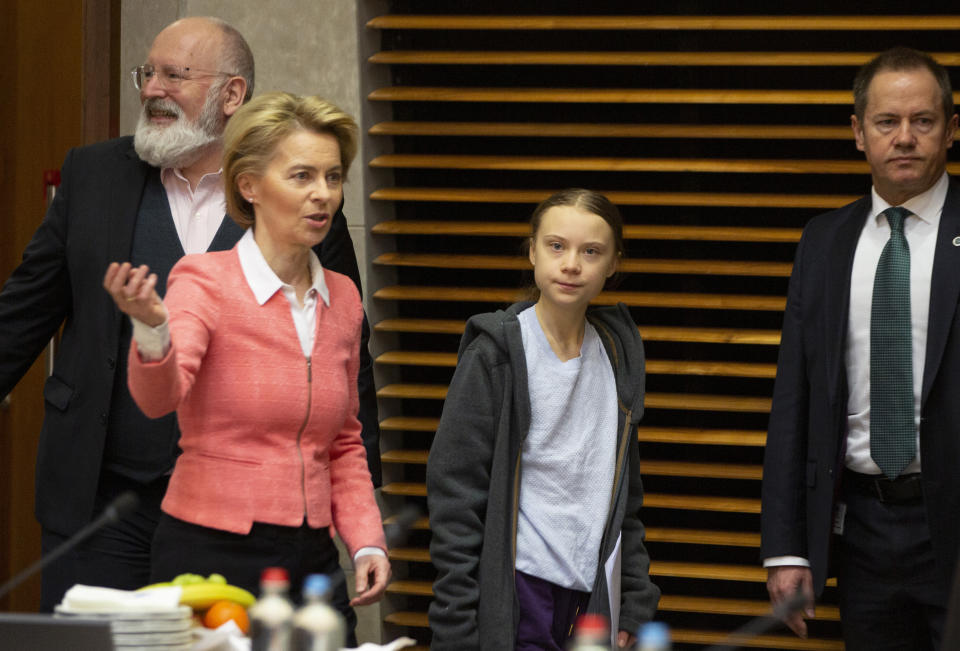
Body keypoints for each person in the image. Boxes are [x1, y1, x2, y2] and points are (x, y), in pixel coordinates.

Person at [0, 16, 380, 612]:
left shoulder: (299, 198)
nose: (152, 88)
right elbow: (21, 312)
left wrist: (355, 524)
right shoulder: (94, 174)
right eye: (147, 73)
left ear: (232, 95)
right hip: (101, 497)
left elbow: (341, 373)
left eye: (174, 75)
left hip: (234, 522)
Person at [103, 91, 390, 641]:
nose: (322, 194)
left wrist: (366, 539)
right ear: (250, 186)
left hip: (311, 556)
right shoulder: (204, 280)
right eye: (302, 175)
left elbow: (345, 442)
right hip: (211, 550)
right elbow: (160, 398)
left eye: (333, 177)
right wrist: (152, 328)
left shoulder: (344, 297)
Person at [761, 47, 960, 649]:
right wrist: (787, 546)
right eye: (887, 122)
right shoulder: (823, 241)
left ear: (952, 129)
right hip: (861, 531)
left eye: (923, 121)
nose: (905, 138)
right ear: (858, 133)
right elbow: (793, 398)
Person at [426, 189, 660, 650]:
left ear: (613, 264)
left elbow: (625, 499)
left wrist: (634, 597)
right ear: (532, 251)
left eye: (590, 251)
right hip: (519, 589)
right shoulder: (496, 354)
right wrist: (455, 623)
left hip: (592, 593)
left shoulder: (617, 355)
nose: (571, 264)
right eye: (556, 246)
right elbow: (455, 497)